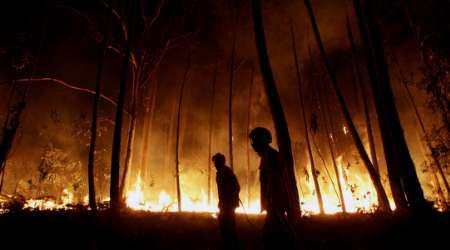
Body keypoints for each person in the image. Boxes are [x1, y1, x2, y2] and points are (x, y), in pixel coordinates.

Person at [249, 127, 294, 250]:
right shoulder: (267, 156)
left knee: (274, 237)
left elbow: (275, 180)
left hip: (276, 204)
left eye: (254, 141)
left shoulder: (271, 156)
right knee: (274, 236)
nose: (253, 145)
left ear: (261, 141)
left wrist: (271, 199)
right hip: (273, 204)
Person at [212, 153, 240, 250]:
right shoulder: (221, 172)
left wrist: (229, 199)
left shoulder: (225, 172)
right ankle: (230, 244)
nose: (214, 164)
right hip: (225, 204)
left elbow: (235, 187)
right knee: (226, 225)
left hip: (228, 204)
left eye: (216, 162)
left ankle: (231, 245)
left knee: (228, 225)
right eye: (214, 162)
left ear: (220, 162)